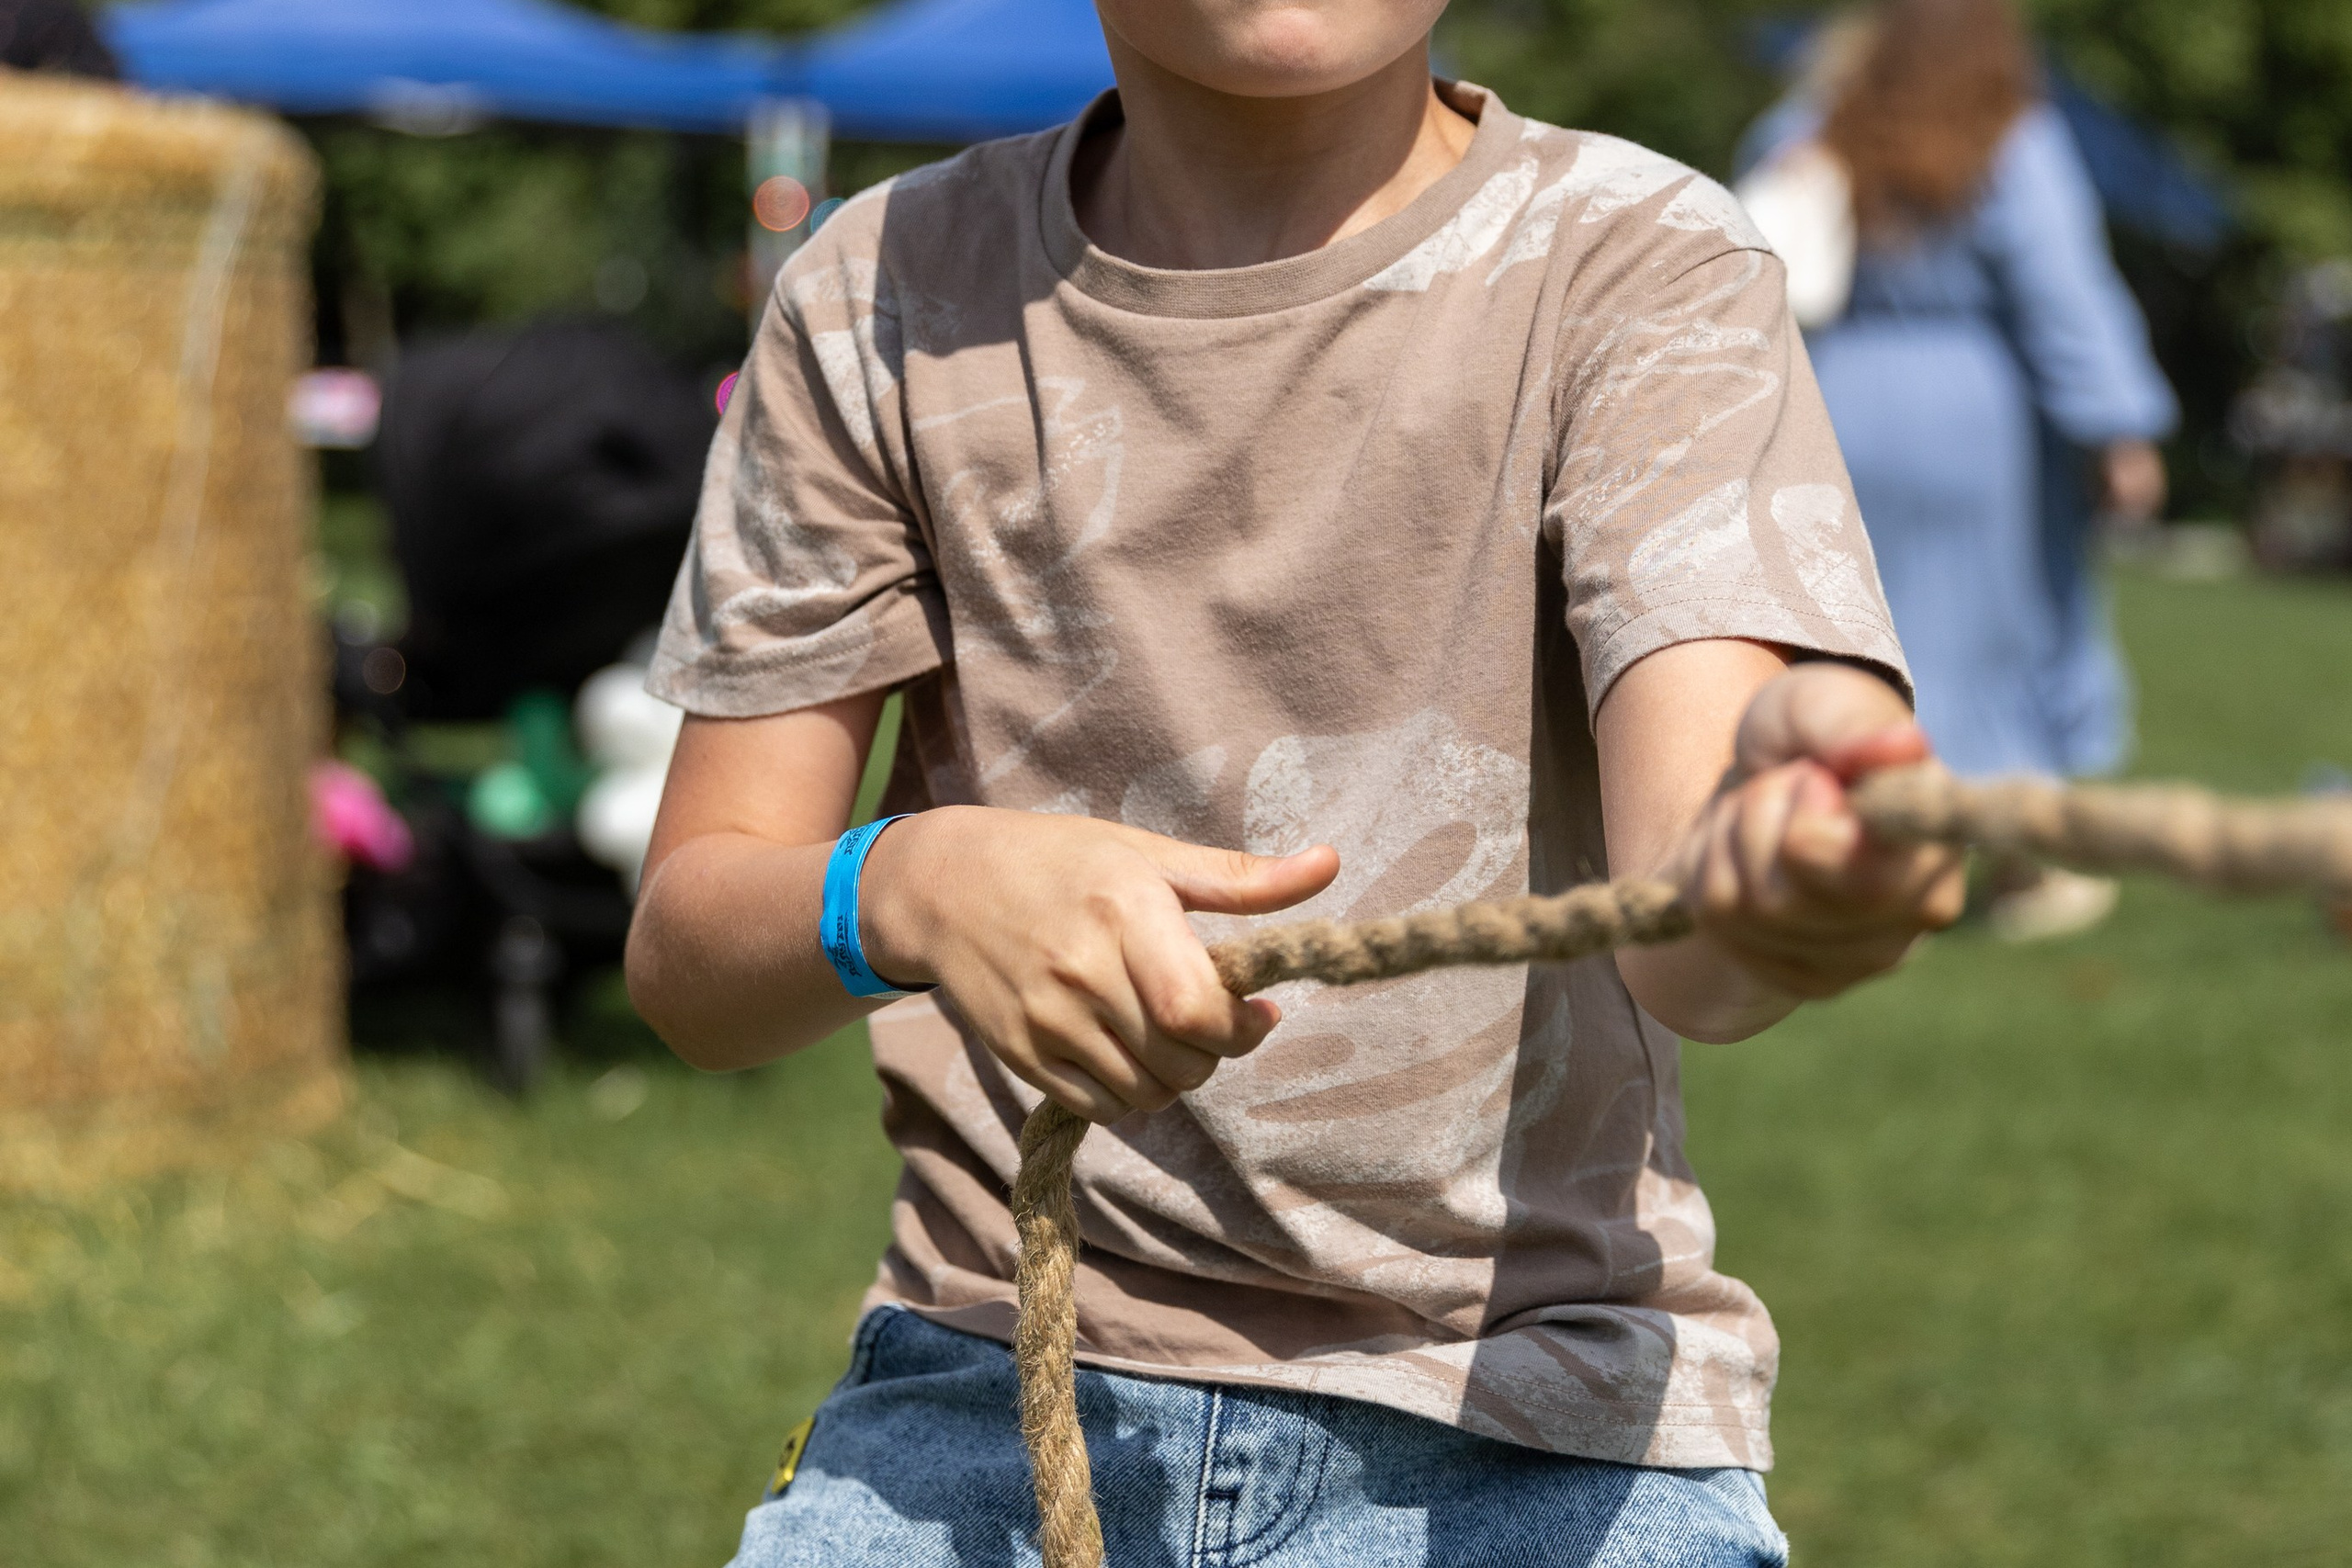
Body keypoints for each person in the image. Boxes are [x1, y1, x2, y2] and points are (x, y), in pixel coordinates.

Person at [628, 3, 1964, 1562]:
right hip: (994, 1386)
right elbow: (692, 958)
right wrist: (902, 885)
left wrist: (1791, 869)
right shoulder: (879, 290)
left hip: (1535, 1432)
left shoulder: (1638, 260)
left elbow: (1699, 915)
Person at [1737, 0, 2177, 942]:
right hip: (1977, 422)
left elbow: (1751, 246)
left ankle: (1840, 850)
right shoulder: (2012, 134)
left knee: (1855, 633)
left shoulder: (1813, 123)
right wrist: (2118, 429)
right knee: (2000, 631)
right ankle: (2027, 867)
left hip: (1835, 405)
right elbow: (2062, 293)